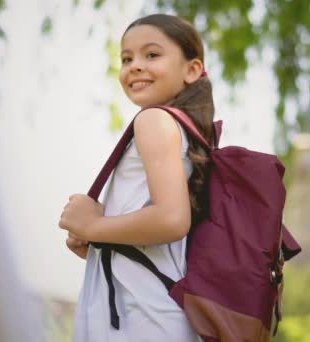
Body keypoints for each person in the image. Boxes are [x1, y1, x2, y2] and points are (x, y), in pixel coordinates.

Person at [58, 13, 214, 342]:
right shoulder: (189, 132)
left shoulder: (154, 120)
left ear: (192, 70)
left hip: (143, 317)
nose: (135, 65)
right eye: (126, 58)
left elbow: (171, 220)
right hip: (154, 308)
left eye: (152, 54)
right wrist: (103, 240)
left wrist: (93, 226)